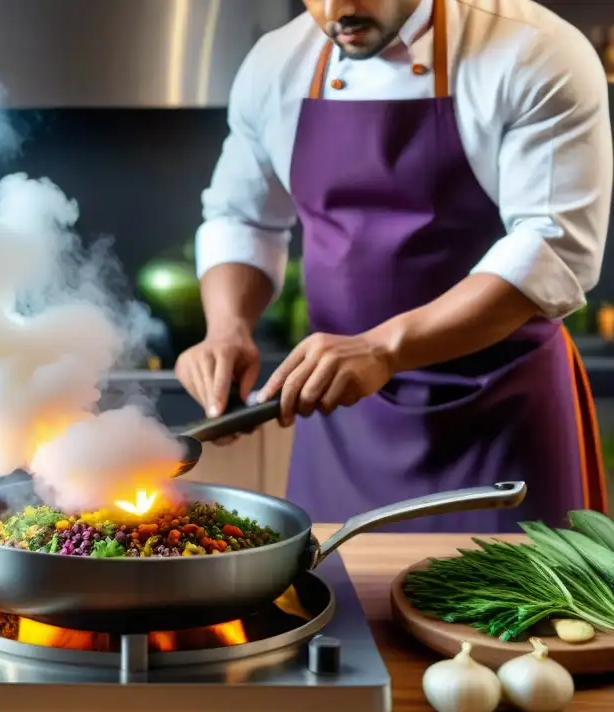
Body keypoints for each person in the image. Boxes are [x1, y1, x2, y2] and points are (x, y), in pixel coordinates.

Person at [175, 0, 613, 532]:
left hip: (498, 413)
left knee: (514, 611)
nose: (337, 9)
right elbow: (242, 217)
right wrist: (227, 327)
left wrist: (382, 347)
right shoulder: (276, 64)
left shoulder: (535, 51)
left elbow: (551, 248)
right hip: (340, 415)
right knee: (335, 606)